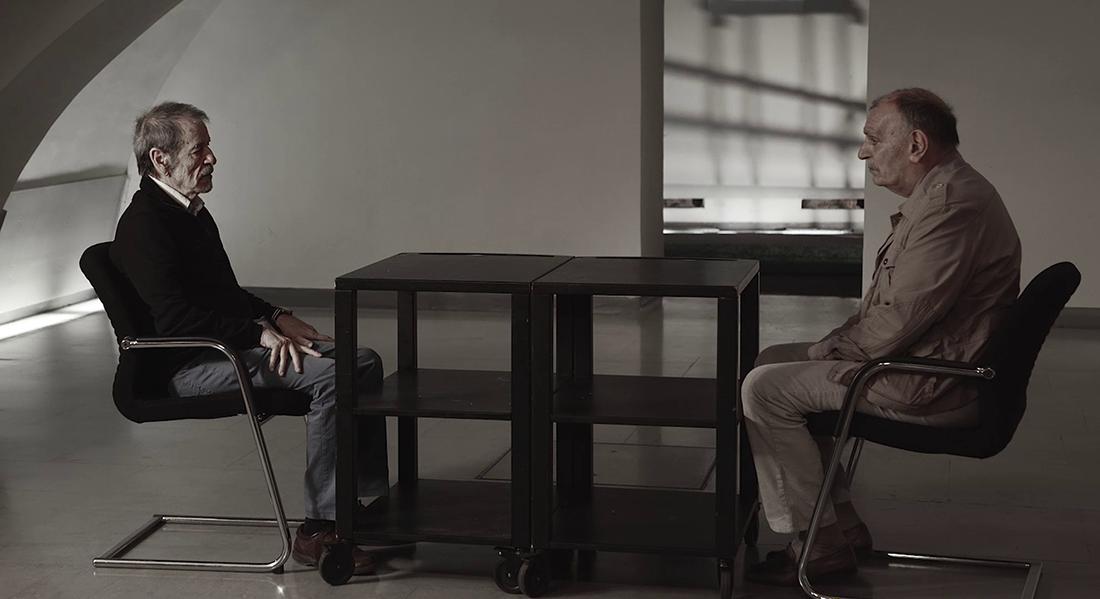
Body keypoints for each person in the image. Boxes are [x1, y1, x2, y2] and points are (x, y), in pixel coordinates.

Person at [743, 88, 1022, 585]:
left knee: (764, 390)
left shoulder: (951, 206)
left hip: (931, 382)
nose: (863, 152)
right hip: (928, 365)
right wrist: (829, 346)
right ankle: (841, 526)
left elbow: (901, 320)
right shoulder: (945, 193)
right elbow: (898, 312)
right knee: (771, 359)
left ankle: (818, 543)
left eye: (874, 139)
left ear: (915, 145)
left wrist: (830, 348)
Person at [110, 102, 395, 575]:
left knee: (362, 360)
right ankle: (319, 528)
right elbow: (175, 319)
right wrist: (258, 334)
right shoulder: (145, 224)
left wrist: (276, 316)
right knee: (331, 378)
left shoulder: (191, 213)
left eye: (208, 147)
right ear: (161, 159)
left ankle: (355, 504)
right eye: (199, 149)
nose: (212, 158)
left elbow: (225, 294)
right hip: (186, 366)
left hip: (225, 346)